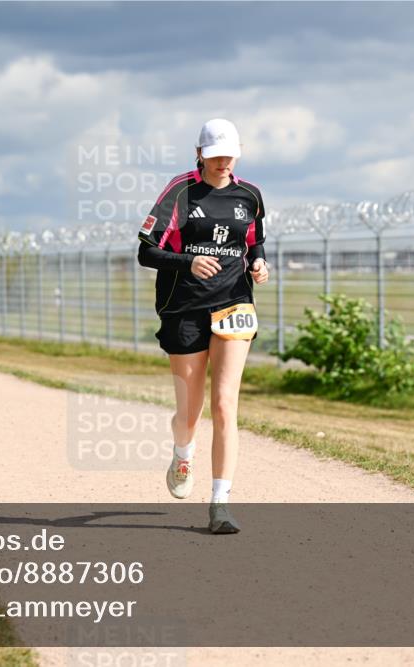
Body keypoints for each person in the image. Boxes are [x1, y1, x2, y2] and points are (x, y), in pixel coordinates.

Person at [137, 118, 269, 534]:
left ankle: (220, 503)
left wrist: (260, 262)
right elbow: (146, 251)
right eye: (214, 155)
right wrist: (188, 261)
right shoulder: (180, 192)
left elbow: (254, 240)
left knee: (225, 403)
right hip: (185, 306)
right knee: (189, 410)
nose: (222, 162)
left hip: (234, 302)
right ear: (199, 154)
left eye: (229, 154)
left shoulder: (250, 195)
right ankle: (182, 452)